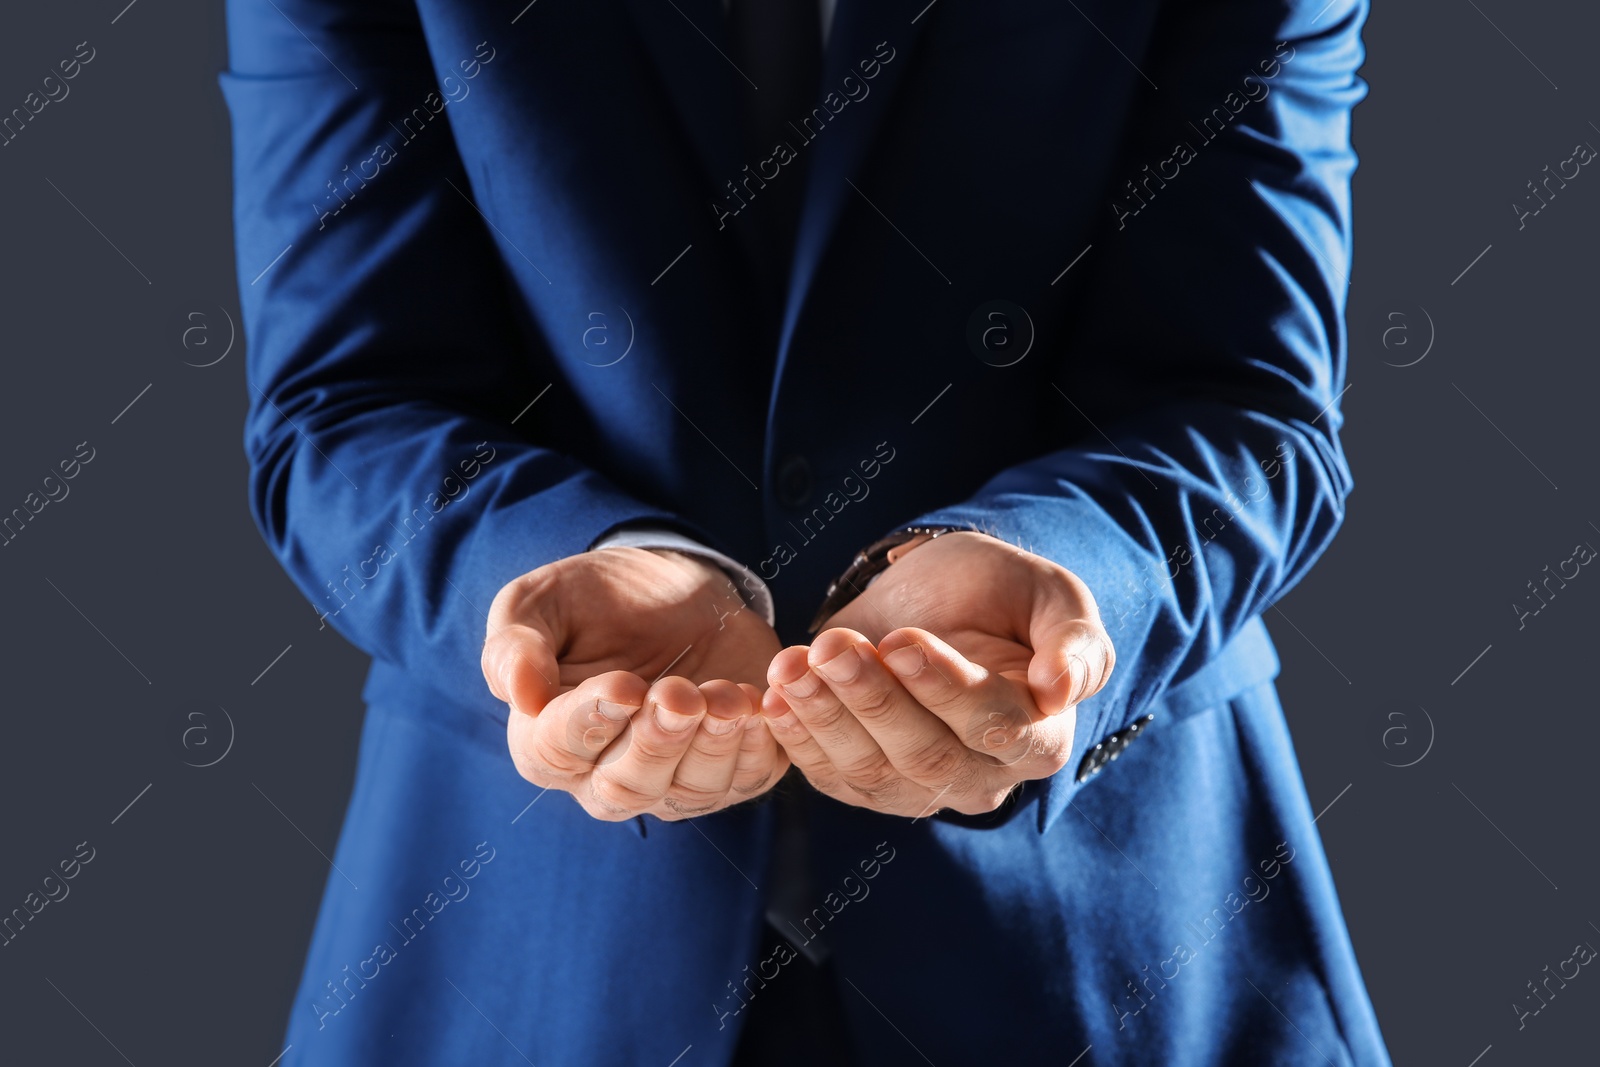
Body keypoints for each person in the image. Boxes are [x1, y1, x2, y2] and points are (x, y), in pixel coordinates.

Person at [223, 0, 1390, 1063]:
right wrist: (542, 572)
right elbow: (343, 401)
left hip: (1118, 938)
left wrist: (1074, 571)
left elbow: (1249, 399)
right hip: (522, 946)